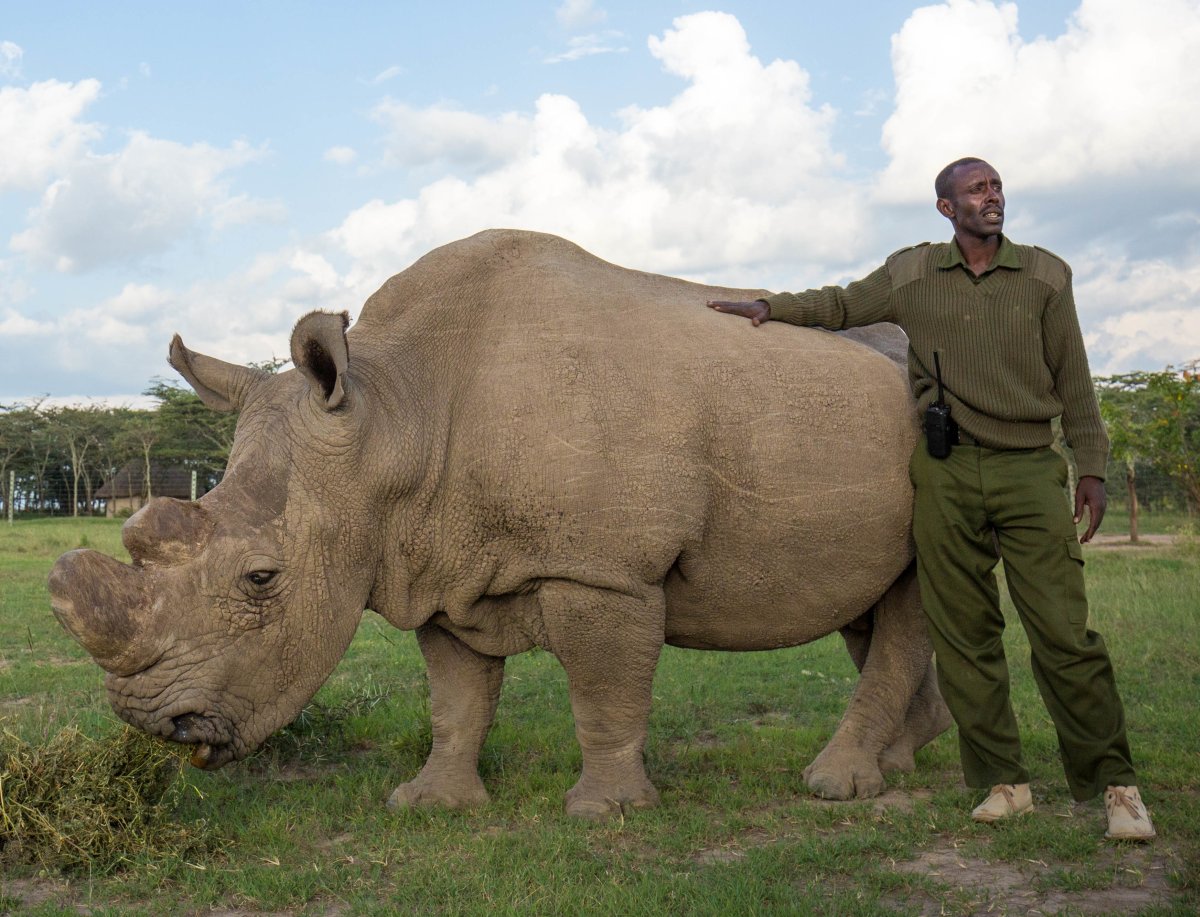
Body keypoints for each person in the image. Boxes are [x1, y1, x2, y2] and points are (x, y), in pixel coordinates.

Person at [707, 157, 1155, 841]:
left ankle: (1115, 785)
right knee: (965, 635)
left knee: (1064, 634)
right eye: (977, 190)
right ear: (947, 208)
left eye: (997, 186)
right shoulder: (913, 274)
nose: (992, 197)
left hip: (1030, 468)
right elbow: (840, 304)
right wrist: (771, 308)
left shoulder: (1044, 274)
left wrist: (1089, 465)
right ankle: (1003, 781)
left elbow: (1076, 378)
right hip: (946, 473)